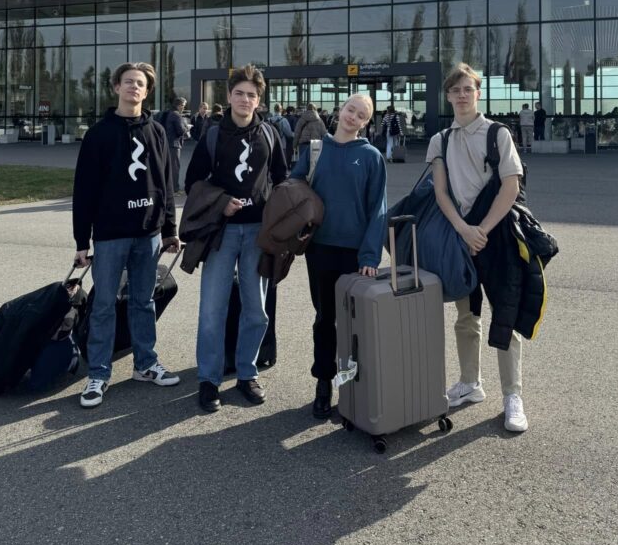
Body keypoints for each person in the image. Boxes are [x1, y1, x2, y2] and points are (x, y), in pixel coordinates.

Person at [426, 62, 528, 433]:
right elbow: (440, 192)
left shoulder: (498, 133)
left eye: (468, 89)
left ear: (478, 93)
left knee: (505, 316)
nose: (462, 95)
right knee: (466, 316)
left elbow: (511, 186)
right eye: (455, 90)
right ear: (448, 95)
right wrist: (463, 230)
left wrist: (480, 230)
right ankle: (471, 383)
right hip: (462, 237)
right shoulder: (440, 140)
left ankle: (512, 396)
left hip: (496, 236)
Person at [72, 61, 180, 409]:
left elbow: (165, 183)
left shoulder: (156, 131)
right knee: (103, 305)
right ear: (116, 87)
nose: (135, 87)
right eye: (129, 82)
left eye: (141, 83)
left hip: (148, 234)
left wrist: (169, 229)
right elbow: (84, 191)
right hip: (110, 235)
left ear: (147, 92)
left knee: (143, 302)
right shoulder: (98, 134)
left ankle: (145, 364)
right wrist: (81, 242)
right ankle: (98, 374)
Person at [184, 64, 288, 413]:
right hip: (221, 233)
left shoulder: (270, 134)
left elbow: (282, 180)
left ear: (259, 100)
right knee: (212, 311)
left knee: (256, 311)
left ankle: (247, 373)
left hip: (257, 233)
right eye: (239, 93)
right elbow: (192, 182)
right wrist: (220, 202)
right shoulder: (213, 135)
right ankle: (209, 380)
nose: (245, 99)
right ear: (229, 96)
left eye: (251, 95)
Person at [289, 94, 386, 419]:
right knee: (324, 319)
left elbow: (378, 210)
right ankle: (323, 383)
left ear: (366, 122)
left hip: (355, 255)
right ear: (340, 110)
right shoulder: (316, 150)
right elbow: (294, 187)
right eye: (350, 109)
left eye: (361, 115)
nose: (352, 117)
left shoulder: (371, 157)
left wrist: (370, 256)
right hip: (319, 249)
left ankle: (353, 386)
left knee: (355, 325)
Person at [165, 97, 188, 193]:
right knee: (175, 167)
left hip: (167, 143)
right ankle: (175, 189)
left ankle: (169, 188)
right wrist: (187, 128)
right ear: (179, 105)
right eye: (183, 106)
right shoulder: (176, 115)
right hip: (174, 144)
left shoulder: (168, 113)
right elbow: (180, 131)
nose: (184, 108)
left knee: (169, 167)